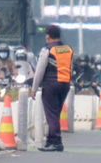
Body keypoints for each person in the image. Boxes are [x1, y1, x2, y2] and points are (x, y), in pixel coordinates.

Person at [30, 24, 73, 152]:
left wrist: (34, 88)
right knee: (55, 113)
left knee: (51, 114)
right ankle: (50, 141)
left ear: (48, 36)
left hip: (50, 84)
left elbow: (39, 70)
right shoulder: (68, 49)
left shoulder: (46, 50)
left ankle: (56, 141)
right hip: (65, 84)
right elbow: (71, 67)